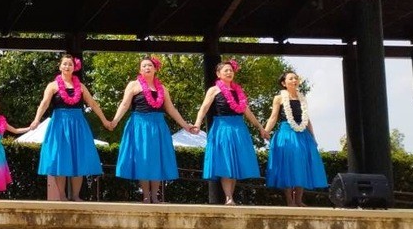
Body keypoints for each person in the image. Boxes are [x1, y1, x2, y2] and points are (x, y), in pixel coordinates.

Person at [109, 55, 198, 204]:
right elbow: (124, 104)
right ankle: (145, 195)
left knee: (157, 159)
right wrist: (115, 121)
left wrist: (186, 126)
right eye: (144, 66)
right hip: (139, 125)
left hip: (158, 126)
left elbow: (171, 109)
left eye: (150, 65)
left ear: (155, 69)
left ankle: (155, 196)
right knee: (143, 158)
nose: (147, 68)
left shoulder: (162, 88)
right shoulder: (133, 85)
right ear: (140, 70)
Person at [26, 54, 113, 202]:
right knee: (61, 158)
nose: (67, 66)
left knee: (78, 157)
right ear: (60, 66)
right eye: (65, 64)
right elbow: (44, 103)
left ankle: (76, 195)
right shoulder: (52, 86)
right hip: (59, 124)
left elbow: (93, 104)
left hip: (78, 124)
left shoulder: (81, 87)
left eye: (70, 64)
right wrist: (36, 119)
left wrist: (105, 120)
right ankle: (62, 195)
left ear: (74, 67)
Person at [192, 59, 269, 205]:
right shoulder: (214, 90)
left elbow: (248, 112)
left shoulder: (238, 91)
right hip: (223, 127)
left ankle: (230, 196)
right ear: (218, 74)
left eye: (231, 70)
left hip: (239, 128)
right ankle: (228, 197)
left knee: (235, 163)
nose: (229, 72)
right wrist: (197, 123)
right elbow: (204, 108)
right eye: (226, 70)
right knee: (226, 161)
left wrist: (260, 128)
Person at [263, 71, 327, 206]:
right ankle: (289, 200)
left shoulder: (302, 98)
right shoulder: (279, 98)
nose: (294, 80)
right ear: (283, 83)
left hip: (302, 134)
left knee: (301, 164)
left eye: (295, 78)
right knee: (288, 165)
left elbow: (307, 119)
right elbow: (273, 117)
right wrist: (266, 131)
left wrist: (313, 136)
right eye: (291, 78)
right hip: (286, 133)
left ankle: (298, 199)